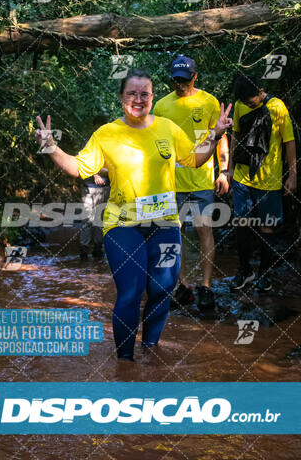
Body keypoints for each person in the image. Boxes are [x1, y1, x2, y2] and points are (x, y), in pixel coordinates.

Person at [35, 68, 232, 360]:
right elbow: (79, 168)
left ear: (152, 97)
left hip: (165, 225)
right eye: (132, 93)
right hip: (122, 225)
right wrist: (51, 147)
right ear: (121, 98)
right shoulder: (107, 134)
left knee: (162, 288)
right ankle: (125, 364)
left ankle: (150, 352)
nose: (138, 99)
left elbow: (193, 159)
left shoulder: (167, 128)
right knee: (131, 291)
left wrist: (215, 136)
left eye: (144, 94)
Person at [154, 56, 229, 310]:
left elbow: (220, 136)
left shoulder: (208, 102)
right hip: (172, 182)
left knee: (203, 229)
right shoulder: (162, 106)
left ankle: (206, 286)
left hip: (202, 180)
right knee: (177, 235)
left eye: (184, 80)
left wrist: (224, 170)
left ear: (195, 77)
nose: (179, 84)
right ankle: (183, 286)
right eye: (175, 79)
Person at [228, 75, 297, 292]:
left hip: (269, 178)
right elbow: (236, 135)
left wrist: (293, 174)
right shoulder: (240, 106)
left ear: (261, 91)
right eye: (246, 102)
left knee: (267, 225)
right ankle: (244, 270)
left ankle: (264, 274)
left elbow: (289, 141)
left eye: (252, 101)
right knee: (241, 223)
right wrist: (228, 167)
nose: (249, 104)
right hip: (242, 175)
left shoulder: (277, 107)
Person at [79, 115, 110, 261]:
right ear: (95, 127)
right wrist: (96, 172)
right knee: (87, 218)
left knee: (100, 219)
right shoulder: (88, 142)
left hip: (105, 186)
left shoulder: (111, 142)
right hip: (89, 186)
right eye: (99, 126)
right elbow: (82, 161)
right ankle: (84, 250)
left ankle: (98, 248)